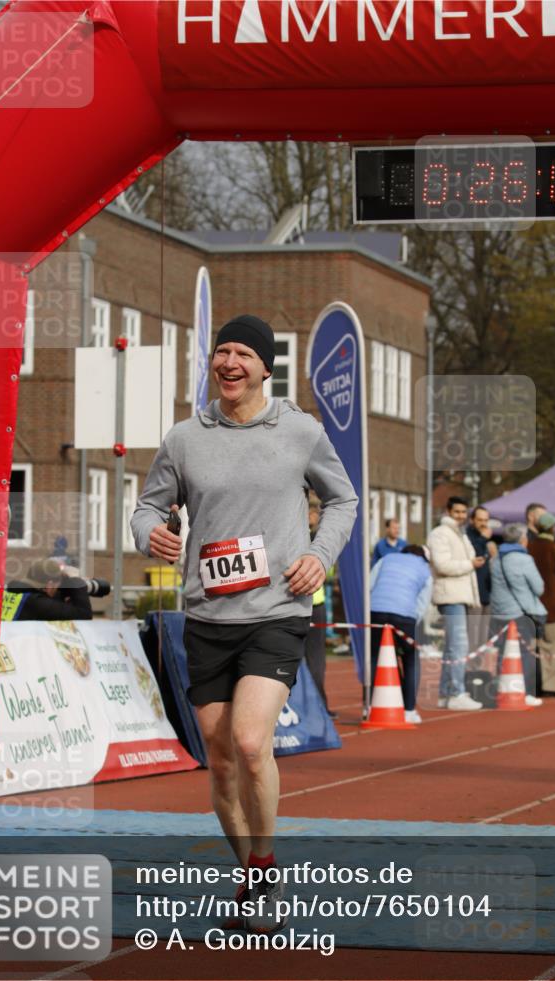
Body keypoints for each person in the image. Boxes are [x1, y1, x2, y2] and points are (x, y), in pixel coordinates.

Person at [131, 314, 357, 929]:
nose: (229, 363)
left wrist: (318, 553)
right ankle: (251, 880)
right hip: (207, 614)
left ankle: (266, 866)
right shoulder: (184, 438)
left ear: (264, 367)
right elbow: (150, 504)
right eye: (220, 352)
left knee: (253, 742)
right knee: (222, 757)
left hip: (278, 610)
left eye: (242, 354)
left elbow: (343, 499)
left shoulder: (300, 431)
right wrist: (147, 531)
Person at [427, 496, 484, 711]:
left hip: (460, 595)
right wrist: (470, 564)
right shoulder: (440, 534)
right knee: (458, 645)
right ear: (448, 511)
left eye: (464, 512)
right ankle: (456, 692)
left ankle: (446, 693)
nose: (461, 516)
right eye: (457, 512)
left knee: (453, 647)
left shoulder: (460, 534)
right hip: (450, 595)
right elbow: (442, 565)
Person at [369, 544, 432, 724]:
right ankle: (409, 709)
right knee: (411, 660)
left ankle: (371, 706)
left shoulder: (386, 559)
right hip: (404, 614)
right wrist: (412, 621)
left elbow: (370, 584)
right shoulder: (424, 568)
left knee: (375, 657)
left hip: (376, 611)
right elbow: (423, 602)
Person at [489, 523, 545, 706]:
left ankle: (504, 689)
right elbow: (539, 587)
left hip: (498, 612)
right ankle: (526, 692)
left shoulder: (495, 559)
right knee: (525, 653)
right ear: (522, 539)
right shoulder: (524, 560)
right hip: (519, 612)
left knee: (503, 653)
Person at [529, 512, 555, 696]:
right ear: (551, 527)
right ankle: (552, 686)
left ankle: (536, 683)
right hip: (554, 606)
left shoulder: (529, 547)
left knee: (536, 647)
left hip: (533, 606)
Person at [303, 501, 334, 716]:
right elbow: (328, 573)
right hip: (313, 604)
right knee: (314, 659)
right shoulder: (317, 540)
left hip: (292, 604)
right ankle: (319, 708)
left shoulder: (282, 535)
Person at [1, 558, 93, 621]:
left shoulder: (10, 592)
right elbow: (84, 614)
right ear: (50, 585)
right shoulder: (37, 603)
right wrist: (75, 579)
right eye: (58, 585)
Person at [466, 505, 497, 655]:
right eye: (480, 520)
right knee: (472, 636)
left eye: (486, 520)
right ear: (472, 520)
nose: (484, 523)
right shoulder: (468, 537)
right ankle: (469, 673)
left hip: (486, 593)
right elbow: (473, 555)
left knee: (482, 639)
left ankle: (478, 672)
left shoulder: (486, 540)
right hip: (473, 594)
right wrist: (484, 539)